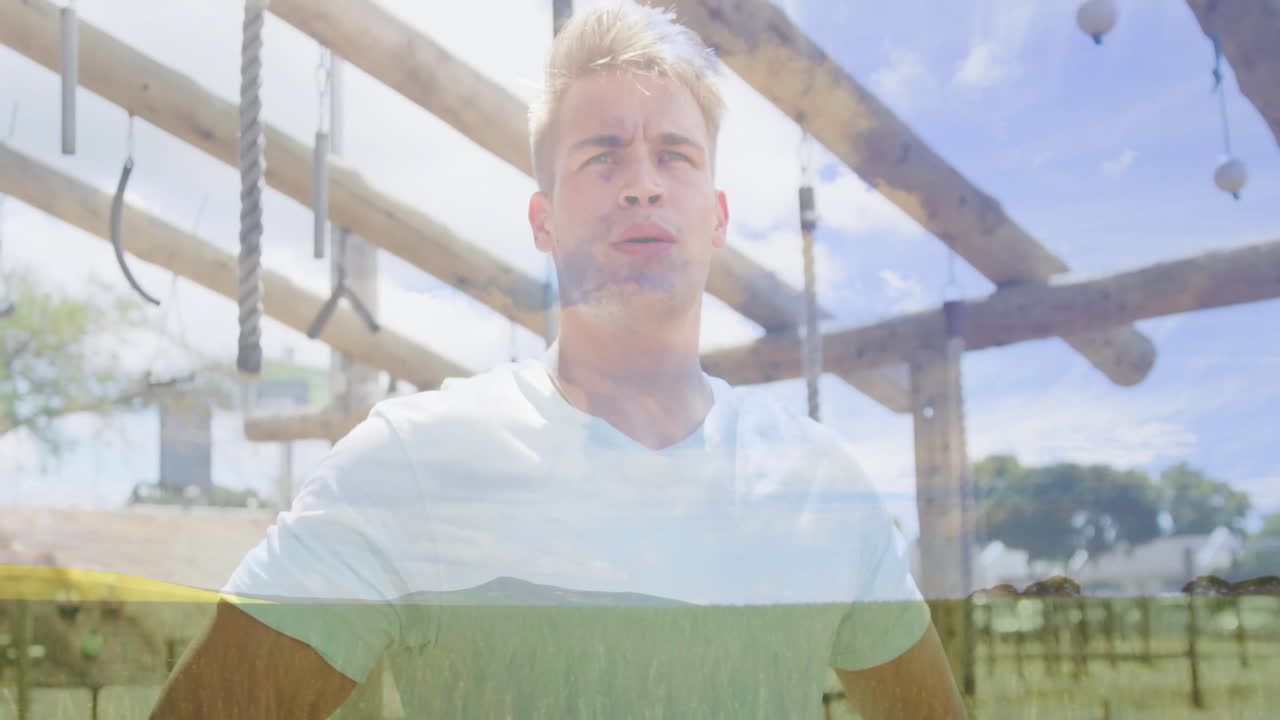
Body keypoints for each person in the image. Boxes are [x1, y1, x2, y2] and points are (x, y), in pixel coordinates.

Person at [150, 2, 967, 718]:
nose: (642, 184)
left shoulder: (822, 485)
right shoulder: (414, 465)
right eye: (601, 157)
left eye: (675, 155)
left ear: (717, 216)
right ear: (543, 220)